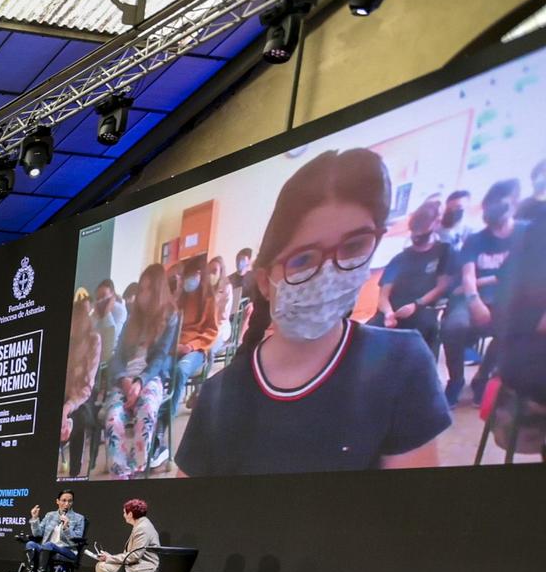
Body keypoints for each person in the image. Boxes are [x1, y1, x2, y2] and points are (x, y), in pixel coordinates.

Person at [178, 149, 449, 477]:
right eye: (304, 259)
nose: (329, 273)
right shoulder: (220, 394)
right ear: (265, 281)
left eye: (353, 247)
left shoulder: (401, 363)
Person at [444, 179, 527, 406]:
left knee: (510, 327)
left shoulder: (526, 234)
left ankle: (482, 378)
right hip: (469, 296)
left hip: (509, 298)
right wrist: (474, 301)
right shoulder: (476, 239)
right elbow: (468, 275)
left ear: (514, 204)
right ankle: (456, 380)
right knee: (453, 326)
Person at [97, 263, 178, 477]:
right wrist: (124, 381)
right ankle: (121, 476)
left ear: (158, 289)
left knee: (148, 412)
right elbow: (117, 358)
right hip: (124, 381)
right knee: (113, 419)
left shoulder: (170, 316)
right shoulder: (131, 321)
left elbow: (160, 357)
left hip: (150, 378)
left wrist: (140, 382)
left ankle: (138, 470)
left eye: (147, 289)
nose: (141, 295)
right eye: (140, 289)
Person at [376, 201, 456, 358]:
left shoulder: (444, 252)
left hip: (423, 308)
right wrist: (388, 313)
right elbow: (383, 295)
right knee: (368, 334)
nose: (418, 236)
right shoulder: (400, 258)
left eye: (422, 231)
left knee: (423, 331)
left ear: (436, 224)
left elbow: (441, 287)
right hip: (394, 310)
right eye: (415, 232)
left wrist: (416, 305)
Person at [91, 498, 160, 572]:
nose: (123, 515)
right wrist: (111, 557)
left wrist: (110, 558)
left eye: (124, 512)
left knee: (103, 566)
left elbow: (134, 556)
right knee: (103, 564)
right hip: (138, 564)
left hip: (144, 568)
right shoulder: (142, 525)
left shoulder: (142, 528)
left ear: (130, 514)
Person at [61, 292, 102, 478]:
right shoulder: (67, 342)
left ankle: (74, 474)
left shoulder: (94, 340)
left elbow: (87, 386)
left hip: (83, 398)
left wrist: (68, 407)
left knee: (78, 418)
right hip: (65, 397)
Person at [172, 254, 220, 395]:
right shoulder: (181, 299)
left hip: (196, 350)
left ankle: (168, 414)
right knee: (157, 368)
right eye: (186, 276)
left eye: (191, 275)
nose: (187, 280)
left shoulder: (209, 300)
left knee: (180, 370)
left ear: (200, 275)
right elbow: (169, 326)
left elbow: (212, 331)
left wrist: (191, 346)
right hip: (175, 347)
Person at [23, 491, 86, 572]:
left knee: (49, 544)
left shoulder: (79, 518)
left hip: (67, 549)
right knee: (30, 544)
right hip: (47, 547)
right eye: (64, 500)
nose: (67, 504)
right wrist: (35, 519)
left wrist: (66, 528)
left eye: (70, 501)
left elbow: (77, 540)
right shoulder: (50, 515)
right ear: (57, 501)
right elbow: (37, 534)